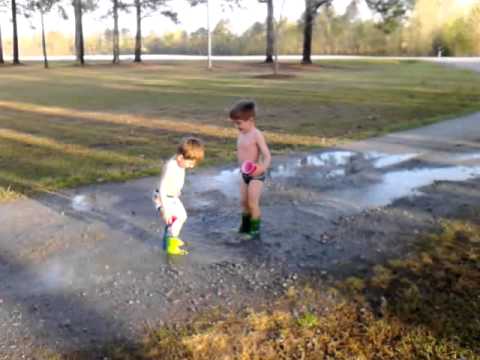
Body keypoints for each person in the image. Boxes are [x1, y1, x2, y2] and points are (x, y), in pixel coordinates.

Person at [153, 137, 204, 255]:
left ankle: (170, 238)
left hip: (172, 197)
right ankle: (171, 243)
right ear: (180, 157)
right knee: (175, 218)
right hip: (163, 198)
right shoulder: (171, 167)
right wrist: (165, 210)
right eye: (190, 163)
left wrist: (177, 189)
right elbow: (162, 189)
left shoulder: (179, 162)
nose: (191, 166)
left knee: (181, 217)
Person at [229, 100, 271, 239]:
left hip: (256, 175)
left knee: (252, 203)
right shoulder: (241, 133)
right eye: (235, 123)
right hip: (244, 173)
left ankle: (254, 231)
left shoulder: (256, 134)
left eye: (239, 122)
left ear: (251, 120)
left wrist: (262, 168)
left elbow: (267, 155)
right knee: (243, 202)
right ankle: (244, 227)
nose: (236, 126)